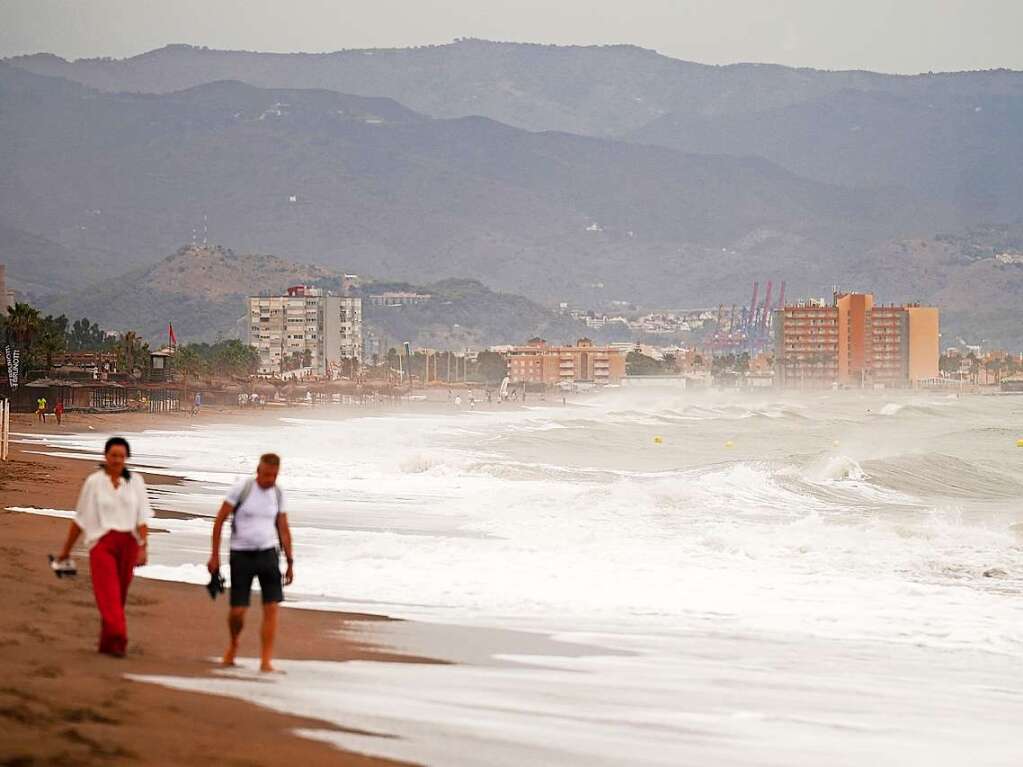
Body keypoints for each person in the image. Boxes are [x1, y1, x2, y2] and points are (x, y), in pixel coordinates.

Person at [55, 437, 151, 656]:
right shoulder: (94, 482)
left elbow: (143, 518)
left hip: (129, 543)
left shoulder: (136, 481)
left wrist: (144, 547)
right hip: (102, 543)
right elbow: (80, 519)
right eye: (113, 455)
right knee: (108, 593)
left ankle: (108, 642)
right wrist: (66, 551)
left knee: (120, 595)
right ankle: (120, 636)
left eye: (121, 456)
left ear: (127, 458)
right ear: (105, 456)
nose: (117, 460)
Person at [206, 453, 294, 672]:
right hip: (241, 554)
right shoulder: (242, 489)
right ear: (258, 471)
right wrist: (214, 555)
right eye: (266, 474)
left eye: (274, 475)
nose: (269, 479)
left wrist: (290, 561)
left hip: (268, 554)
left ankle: (266, 660)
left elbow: (283, 528)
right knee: (238, 612)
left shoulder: (278, 493)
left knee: (271, 607)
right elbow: (219, 521)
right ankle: (234, 644)